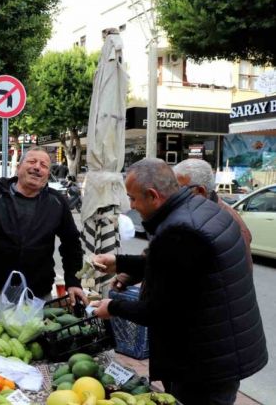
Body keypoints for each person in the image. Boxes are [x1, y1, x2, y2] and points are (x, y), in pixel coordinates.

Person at [91, 158, 267, 405]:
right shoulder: (201, 207)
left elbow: (157, 311)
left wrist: (112, 307)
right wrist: (119, 262)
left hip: (204, 362)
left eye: (132, 198)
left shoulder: (180, 229)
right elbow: (178, 268)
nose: (130, 205)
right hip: (220, 350)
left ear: (153, 195)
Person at [0, 147, 86, 321]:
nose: (37, 167)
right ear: (18, 167)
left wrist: (73, 282)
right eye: (31, 162)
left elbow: (72, 245)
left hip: (37, 298)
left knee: (35, 346)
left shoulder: (57, 202)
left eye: (44, 165)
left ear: (47, 174)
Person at [173, 158, 253, 269]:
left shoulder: (230, 222)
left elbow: (239, 274)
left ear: (200, 191)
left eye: (179, 188)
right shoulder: (193, 212)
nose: (174, 194)